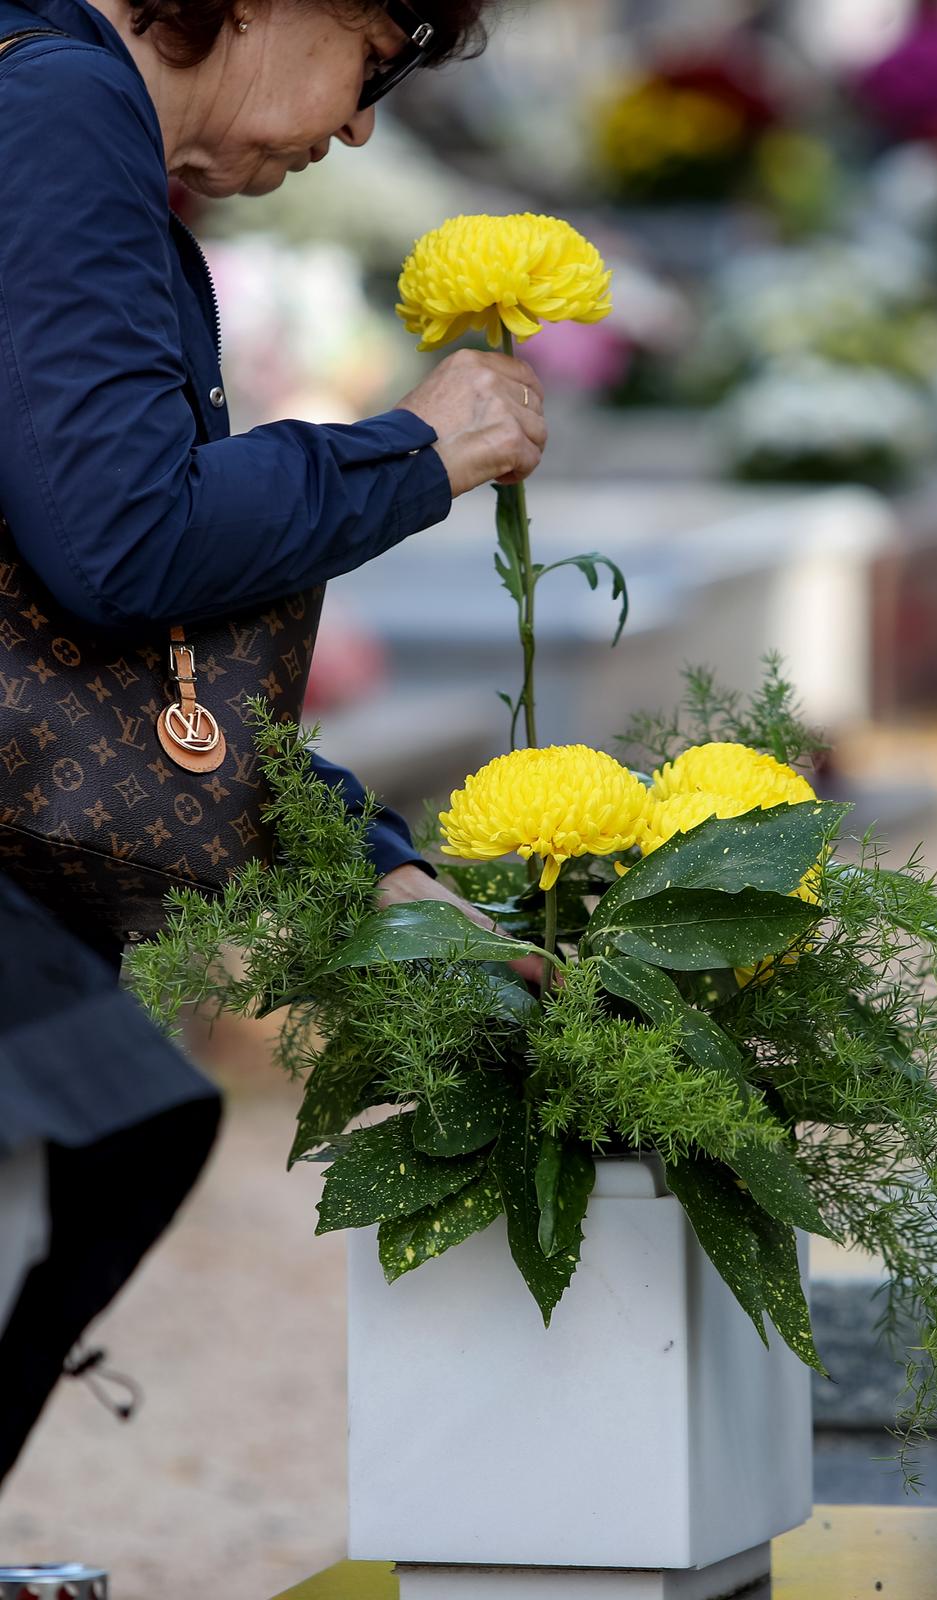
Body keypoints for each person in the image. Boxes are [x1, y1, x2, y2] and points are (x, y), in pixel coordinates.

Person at [0, 0, 546, 1479]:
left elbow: (81, 650)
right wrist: (413, 453)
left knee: (112, 1138)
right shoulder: (57, 104)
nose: (363, 123)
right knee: (105, 1133)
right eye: (376, 63)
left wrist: (364, 862)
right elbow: (122, 542)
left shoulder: (55, 102)